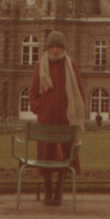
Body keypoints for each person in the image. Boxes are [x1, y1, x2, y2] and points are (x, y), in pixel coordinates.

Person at [29, 30, 86, 207]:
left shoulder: (71, 65)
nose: (55, 50)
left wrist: (75, 110)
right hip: (46, 119)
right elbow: (32, 92)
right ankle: (48, 191)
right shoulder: (40, 66)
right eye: (52, 46)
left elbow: (79, 90)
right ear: (47, 48)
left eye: (58, 47)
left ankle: (59, 190)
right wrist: (39, 108)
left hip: (65, 119)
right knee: (46, 155)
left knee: (64, 155)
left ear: (63, 48)